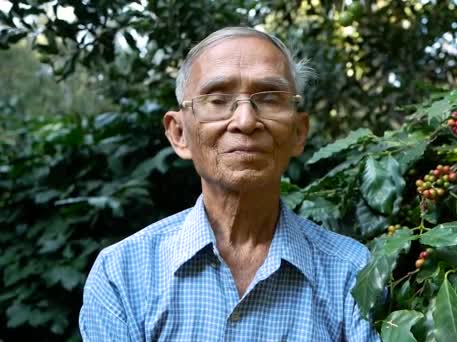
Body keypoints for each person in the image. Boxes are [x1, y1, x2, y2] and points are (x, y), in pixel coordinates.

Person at [79, 26, 380, 341]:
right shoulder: (123, 274)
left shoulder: (352, 272)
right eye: (218, 99)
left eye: (269, 98)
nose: (245, 121)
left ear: (298, 133)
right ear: (179, 133)